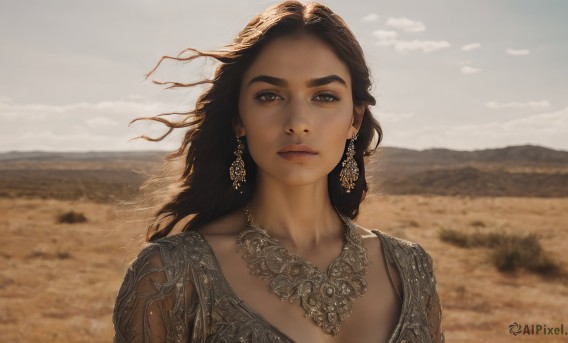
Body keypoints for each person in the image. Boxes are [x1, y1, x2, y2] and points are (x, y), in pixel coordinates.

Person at [112, 1, 445, 342]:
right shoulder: (170, 275)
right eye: (269, 95)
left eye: (325, 96)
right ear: (239, 119)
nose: (298, 123)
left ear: (355, 120)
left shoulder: (410, 268)